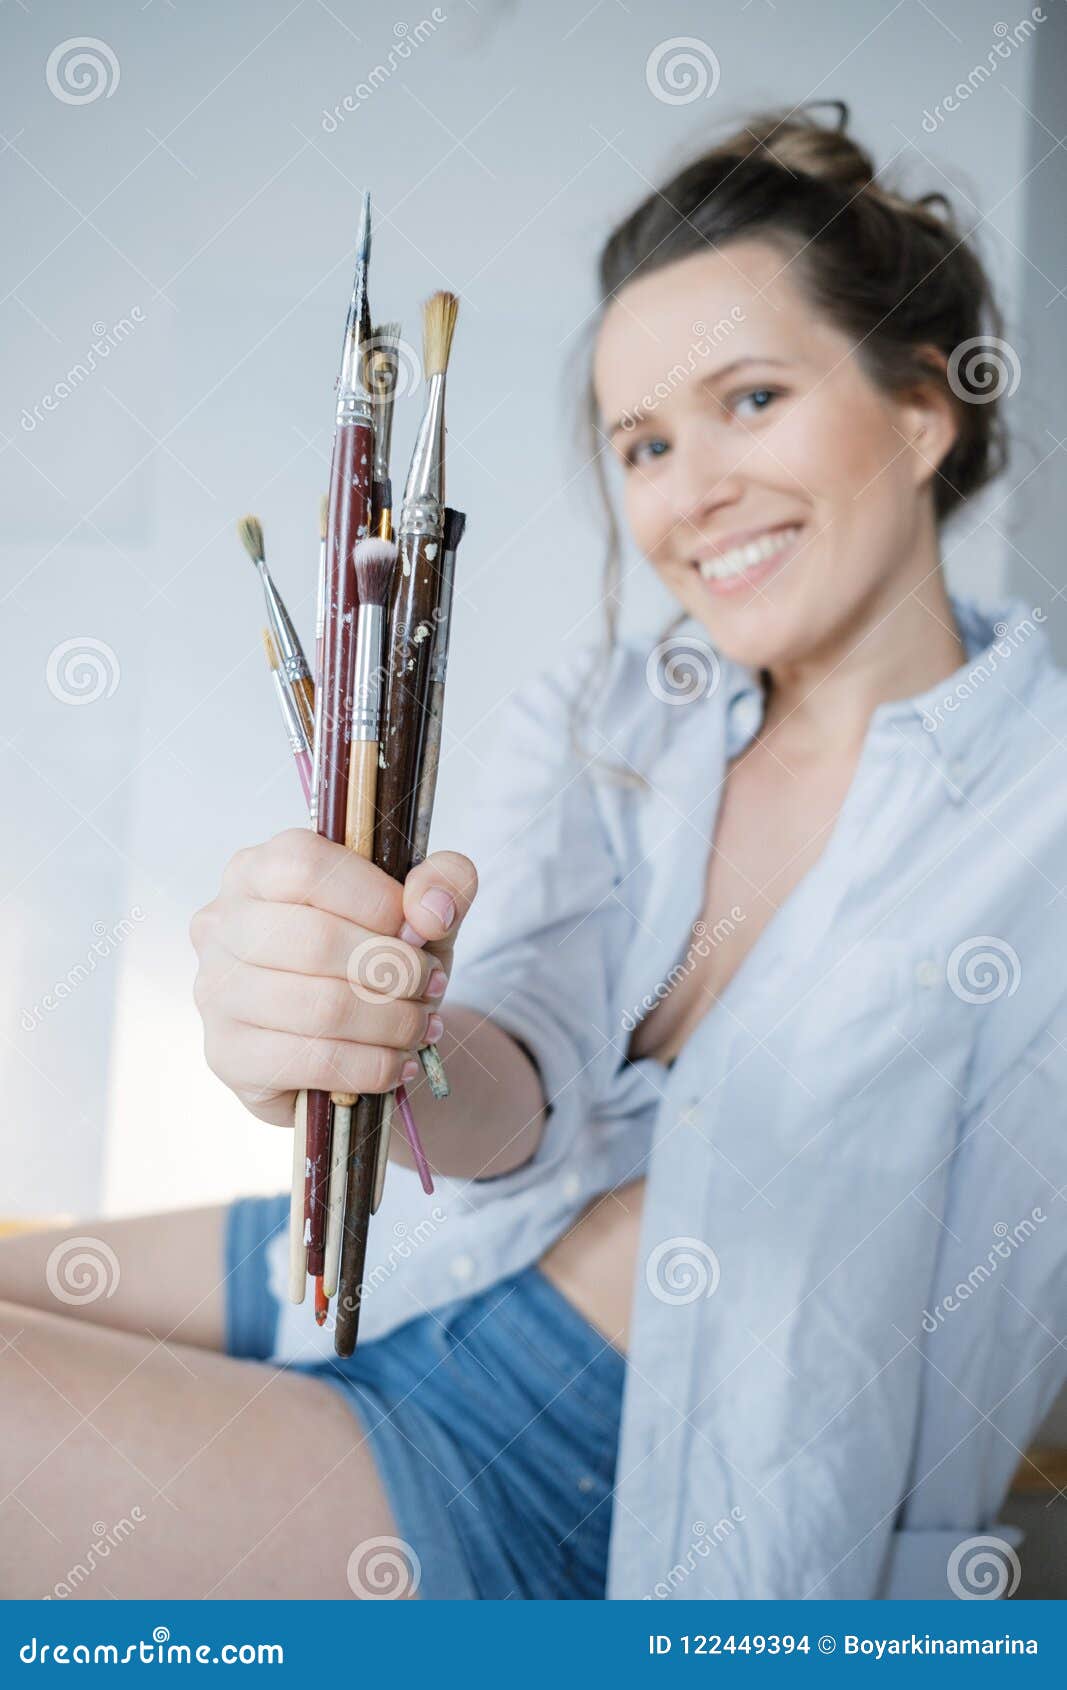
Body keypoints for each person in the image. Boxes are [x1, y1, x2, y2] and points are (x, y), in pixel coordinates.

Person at [3, 102, 1065, 1603]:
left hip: (565, 1475)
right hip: (414, 1257)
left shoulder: (1046, 813)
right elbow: (503, 1087)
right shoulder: (609, 712)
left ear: (921, 407)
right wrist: (398, 1029)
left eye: (751, 399)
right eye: (643, 441)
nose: (687, 492)